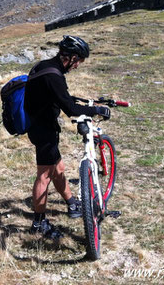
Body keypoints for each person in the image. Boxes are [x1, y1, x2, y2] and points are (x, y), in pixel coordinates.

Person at [24, 35, 110, 239]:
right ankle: (39, 223)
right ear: (70, 57)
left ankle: (72, 203)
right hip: (43, 130)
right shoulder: (54, 76)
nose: (78, 66)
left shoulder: (44, 66)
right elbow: (70, 108)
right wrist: (96, 110)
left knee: (59, 168)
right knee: (44, 175)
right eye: (78, 61)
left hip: (40, 126)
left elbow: (58, 96)